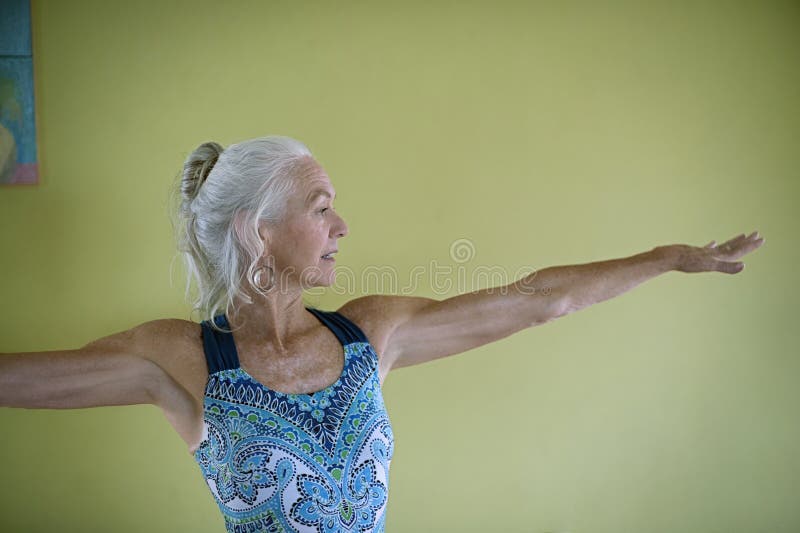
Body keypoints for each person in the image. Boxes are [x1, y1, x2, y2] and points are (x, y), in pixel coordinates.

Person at [0, 135, 765, 533]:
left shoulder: (373, 333)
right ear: (257, 231)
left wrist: (668, 258)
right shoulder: (180, 357)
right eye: (321, 205)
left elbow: (541, 300)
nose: (341, 227)